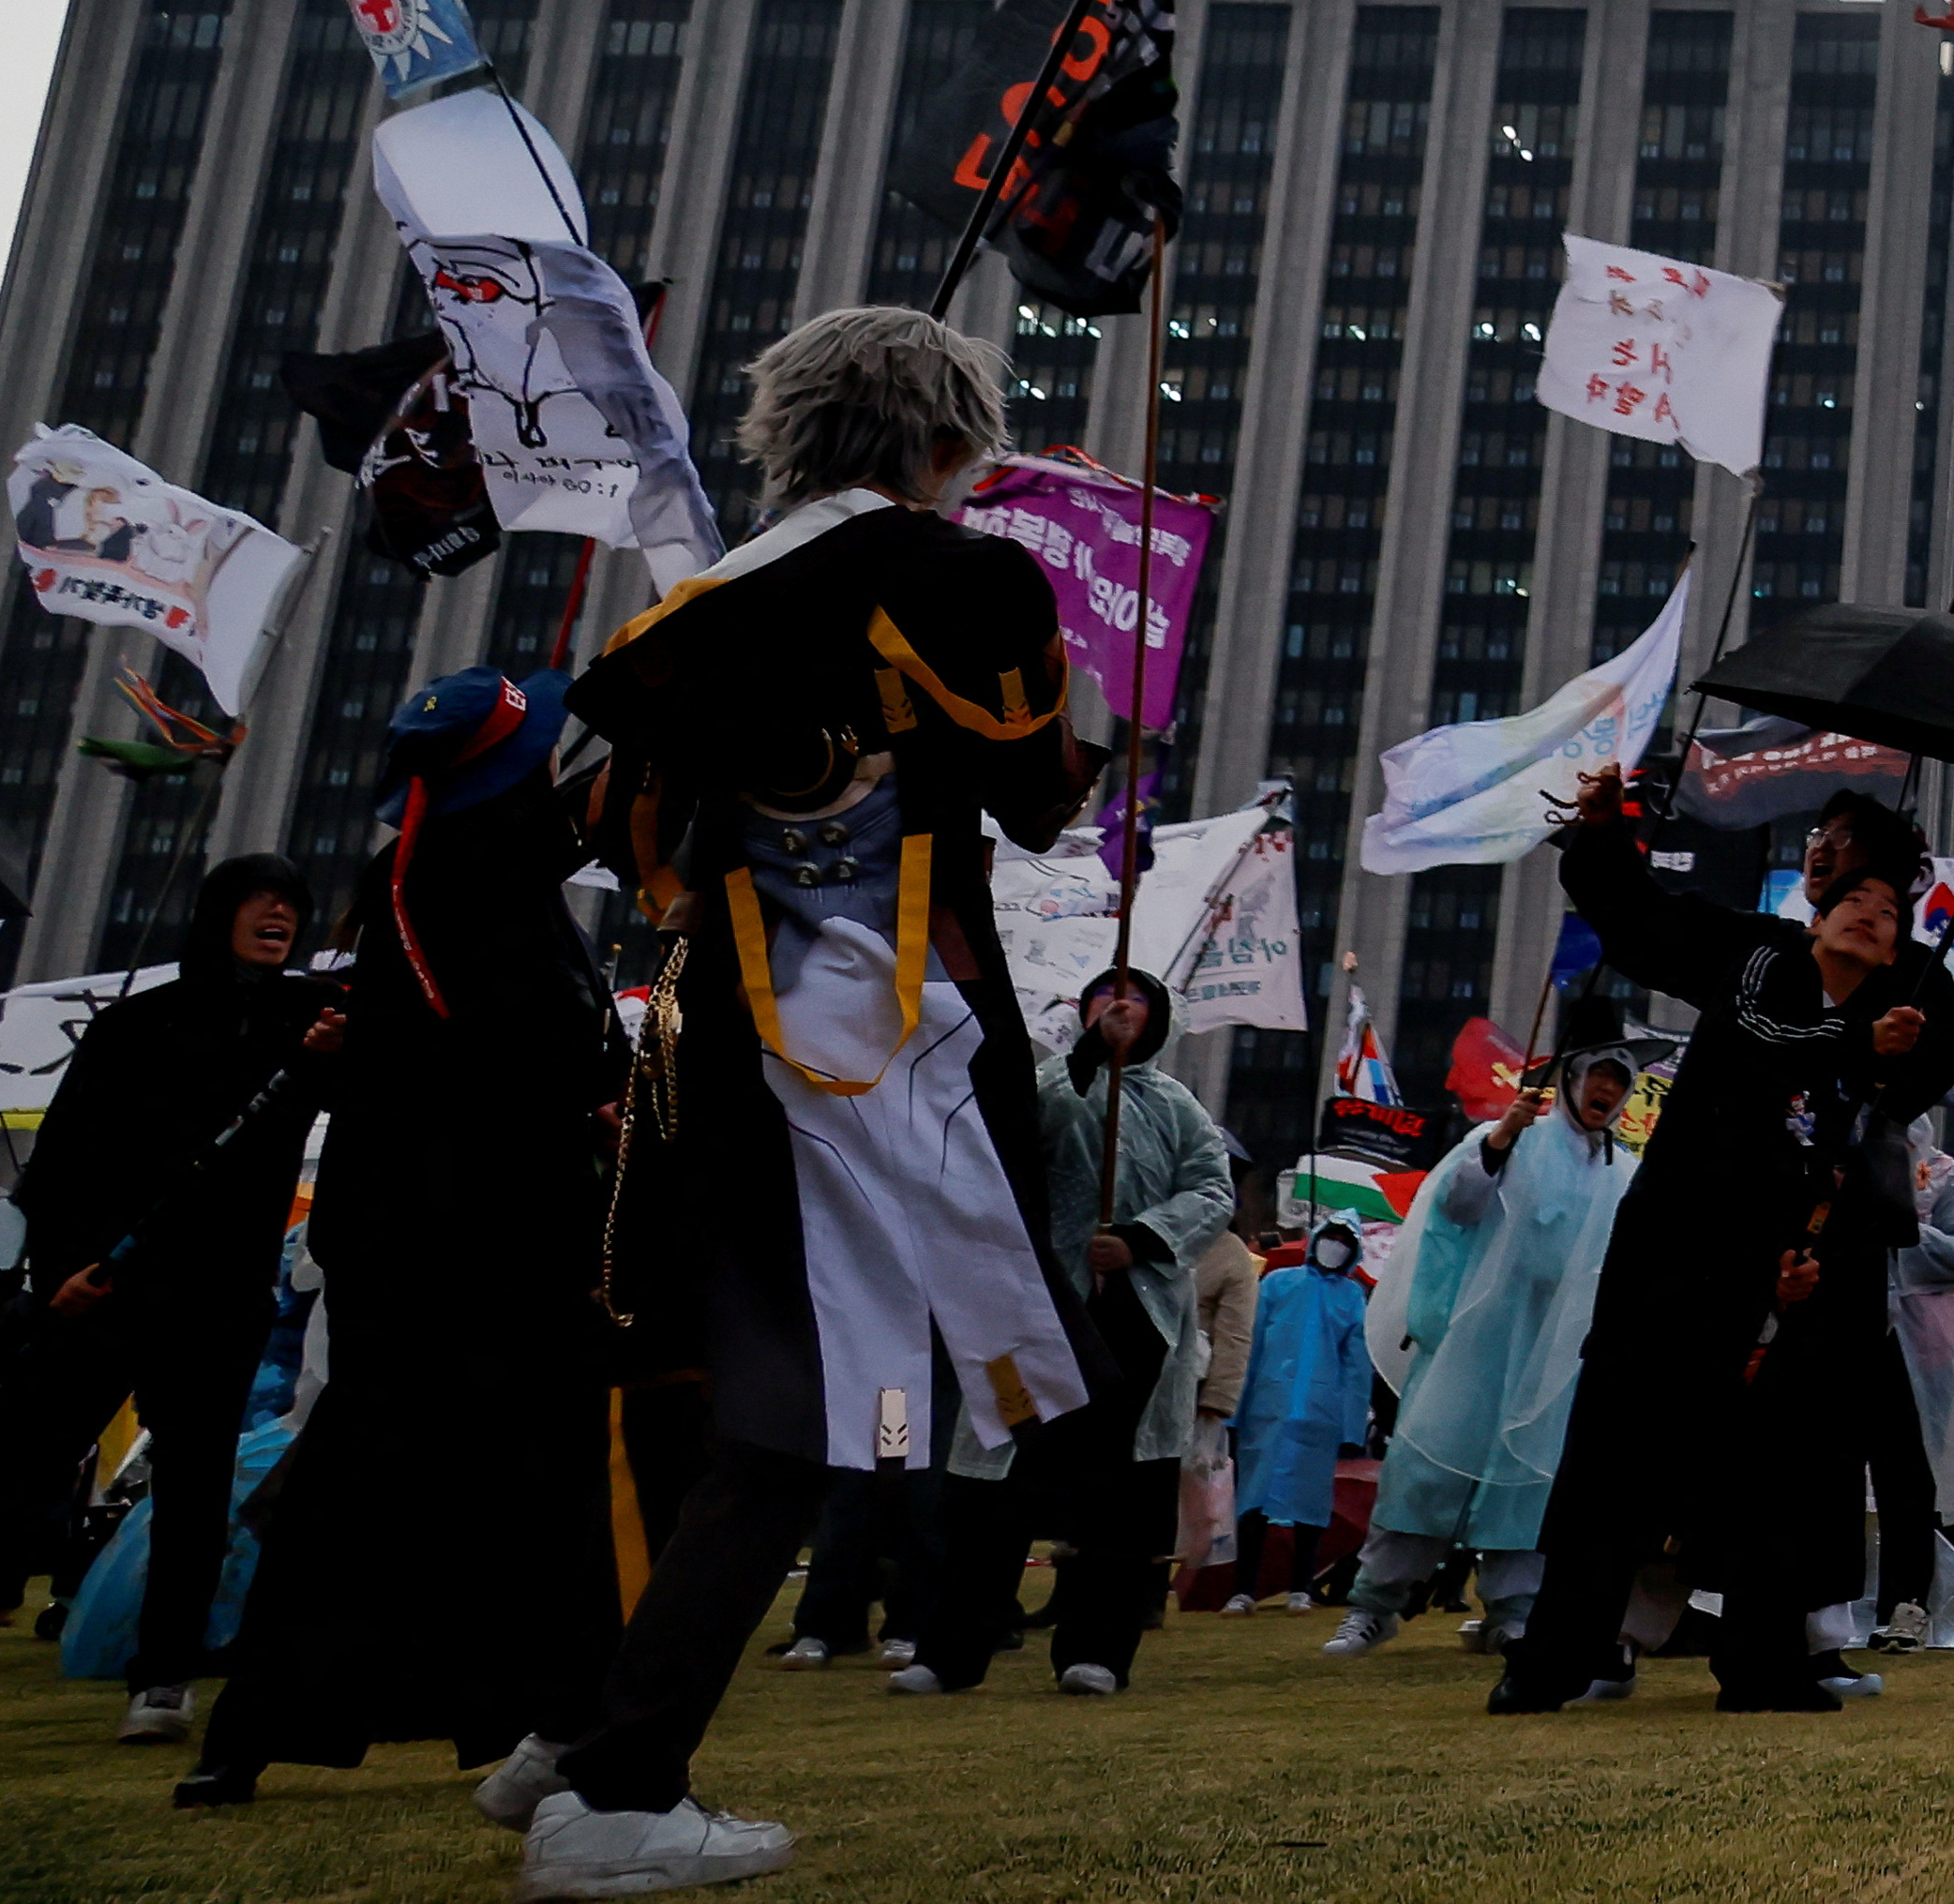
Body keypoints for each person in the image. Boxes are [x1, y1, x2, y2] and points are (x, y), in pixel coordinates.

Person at [491, 305, 1094, 1897]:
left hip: (703, 1034)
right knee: (788, 1420)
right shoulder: (970, 579)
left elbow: (628, 838)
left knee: (698, 1388)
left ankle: (572, 1725)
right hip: (881, 1051)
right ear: (943, 435)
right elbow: (1037, 795)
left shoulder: (699, 612)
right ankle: (619, 1785)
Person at [180, 676, 630, 1809]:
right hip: (482, 1236)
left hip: (435, 1232)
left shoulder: (443, 873)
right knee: (514, 1474)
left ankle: (272, 1726)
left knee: (394, 1472)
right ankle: (555, 1716)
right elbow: (527, 1052)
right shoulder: (469, 878)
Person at [1502, 787, 1954, 1712]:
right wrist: (1601, 833)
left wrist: (1886, 1055)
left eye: (1873, 885)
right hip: (1680, 1246)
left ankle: (1766, 1661)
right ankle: (1556, 1656)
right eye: (1825, 855)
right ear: (1816, 908)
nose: (1832, 867)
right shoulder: (1756, 954)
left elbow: (1906, 1091)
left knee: (1785, 1467)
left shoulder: (1914, 987)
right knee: (1618, 1451)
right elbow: (1639, 919)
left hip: (1806, 1267)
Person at [0, 850, 333, 1749]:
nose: (277, 913)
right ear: (217, 910)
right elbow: (61, 1161)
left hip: (217, 1297)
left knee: (194, 1486)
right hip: (103, 1285)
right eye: (259, 899)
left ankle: (164, 1675)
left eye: (291, 903)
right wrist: (60, 1265)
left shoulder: (310, 1025)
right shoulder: (138, 1024)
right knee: (25, 1462)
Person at [907, 965, 1230, 1698]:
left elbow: (1212, 1188)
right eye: (1105, 997)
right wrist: (1087, 1057)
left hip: (1136, 1324)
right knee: (997, 1485)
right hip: (1036, 1310)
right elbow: (1027, 1132)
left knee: (1118, 1494)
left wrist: (1142, 1239)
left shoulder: (1179, 1107)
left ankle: (1098, 1650)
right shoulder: (1051, 1082)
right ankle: (952, 1646)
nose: (1121, 1008)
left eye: (1139, 998)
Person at [1326, 1042, 1644, 1657]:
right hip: (1478, 1337)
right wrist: (1500, 1139)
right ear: (1571, 1079)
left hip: (1555, 1353)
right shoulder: (1509, 1137)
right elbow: (1458, 1204)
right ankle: (1374, 1604)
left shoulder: (1622, 1171)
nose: (1606, 1089)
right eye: (1597, 1075)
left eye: (1618, 1080)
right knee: (1430, 1463)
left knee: (1531, 1478)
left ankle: (1514, 1609)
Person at [1876, 1135, 1954, 1639]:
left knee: (1910, 1477)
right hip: (1848, 1334)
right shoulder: (1841, 1155)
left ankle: (1905, 1602)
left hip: (1922, 1349)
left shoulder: (1943, 1172)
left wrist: (1905, 1232)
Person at [1236, 1222, 1378, 1606]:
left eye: (1345, 1243)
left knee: (1310, 1505)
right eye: (1331, 1239)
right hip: (1267, 1408)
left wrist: (1351, 1427)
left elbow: (1356, 1367)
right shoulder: (1278, 1284)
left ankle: (1302, 1585)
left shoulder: (1351, 1297)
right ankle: (1243, 1588)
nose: (1335, 1247)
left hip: (1320, 1415)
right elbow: (1250, 1347)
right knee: (1253, 1500)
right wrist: (1235, 1411)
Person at [1178, 1181, 1260, 1600]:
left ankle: (1148, 1592)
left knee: (1175, 1495)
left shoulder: (1230, 1257)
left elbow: (1235, 1336)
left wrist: (1218, 1400)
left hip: (1190, 1389)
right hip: (1137, 1382)